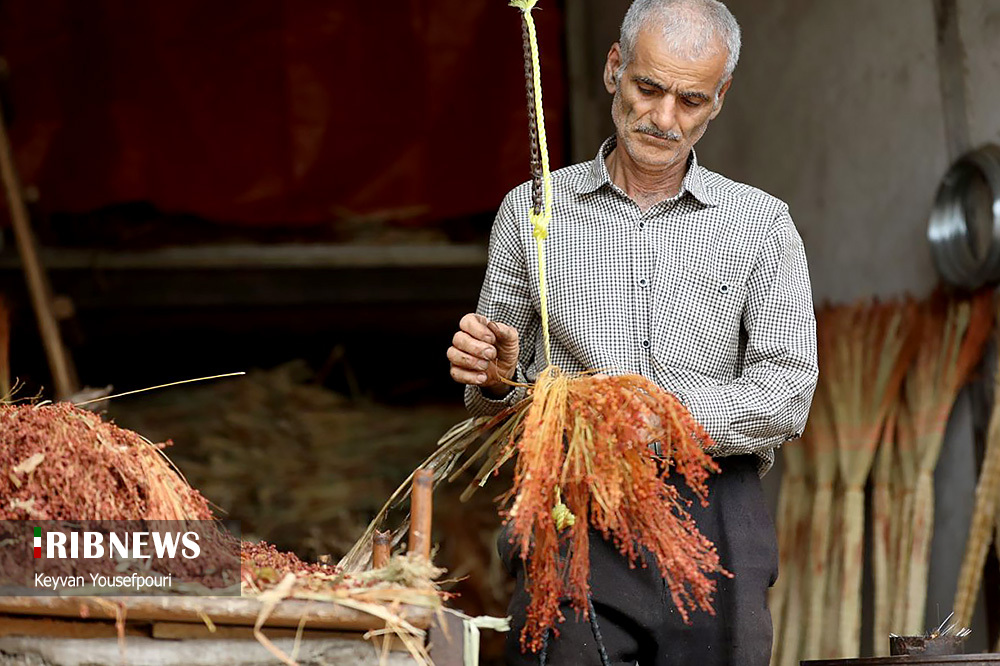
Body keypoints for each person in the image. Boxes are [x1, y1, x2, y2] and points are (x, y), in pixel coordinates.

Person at [446, 0, 818, 664]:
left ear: (719, 100)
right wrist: (498, 380)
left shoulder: (759, 224)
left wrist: (659, 416)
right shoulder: (531, 211)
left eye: (691, 99)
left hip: (713, 511)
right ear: (615, 67)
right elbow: (489, 402)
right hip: (571, 507)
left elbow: (786, 393)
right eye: (649, 87)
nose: (665, 119)